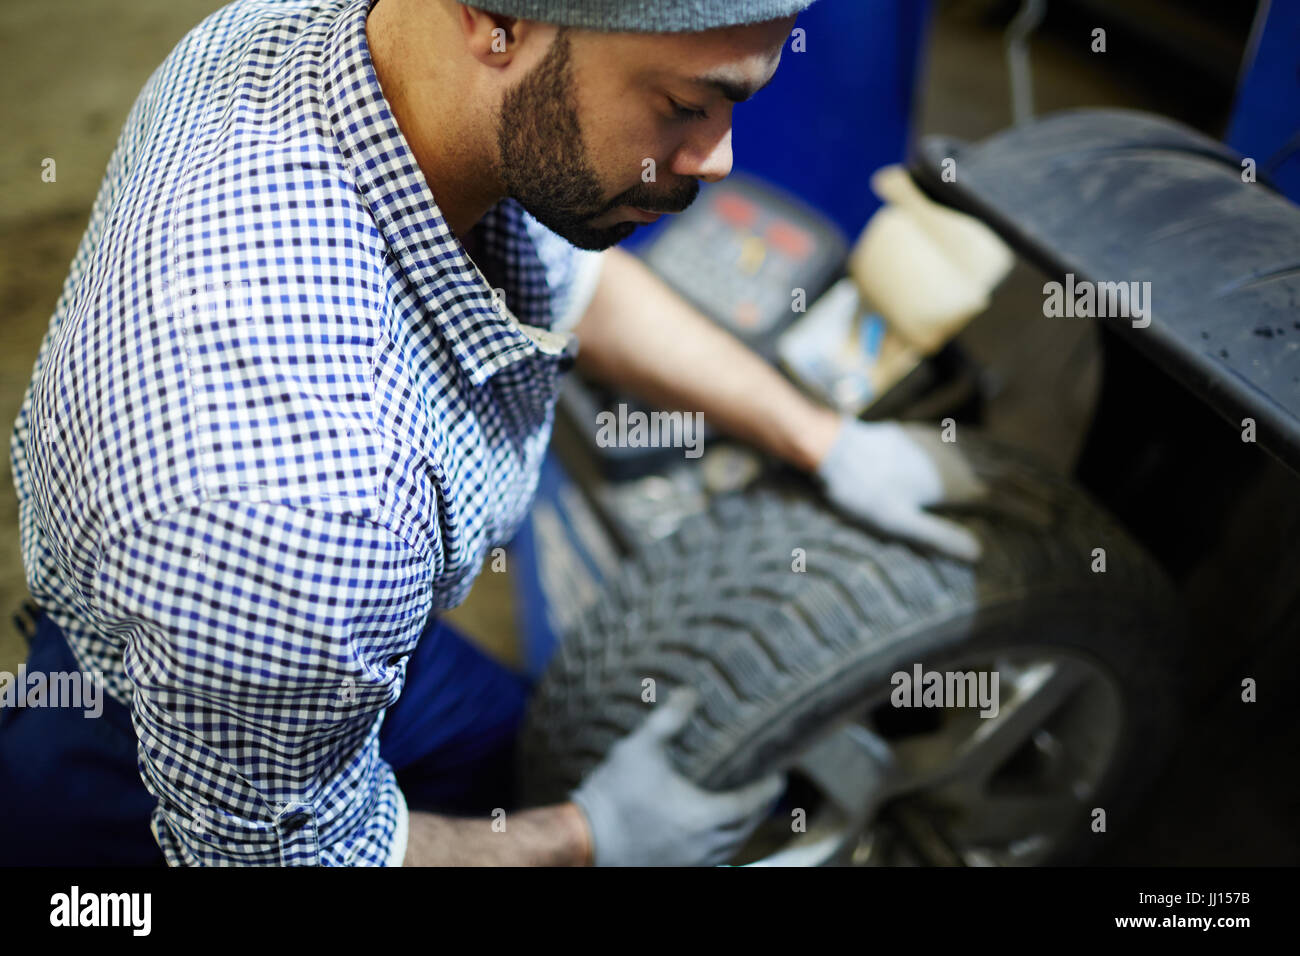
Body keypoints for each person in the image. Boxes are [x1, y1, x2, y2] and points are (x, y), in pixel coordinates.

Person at [0, 0, 989, 866]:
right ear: (496, 22)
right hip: (154, 773)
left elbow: (567, 279)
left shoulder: (318, 40)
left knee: (510, 746)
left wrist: (819, 435)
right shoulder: (307, 513)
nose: (718, 158)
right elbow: (294, 853)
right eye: (685, 106)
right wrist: (590, 839)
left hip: (321, 645)